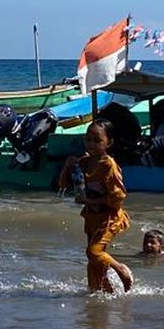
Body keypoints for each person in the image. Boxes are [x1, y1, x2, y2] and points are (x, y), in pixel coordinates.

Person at [60, 120, 135, 293]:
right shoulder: (84, 163)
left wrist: (90, 201)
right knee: (93, 265)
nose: (91, 144)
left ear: (109, 142)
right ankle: (102, 294)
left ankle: (121, 269)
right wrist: (67, 166)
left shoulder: (108, 165)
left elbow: (118, 198)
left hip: (109, 218)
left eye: (97, 140)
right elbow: (63, 185)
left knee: (94, 252)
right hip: (92, 217)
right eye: (88, 139)